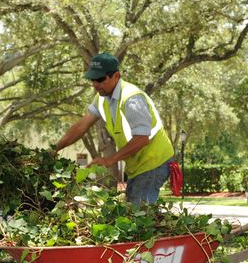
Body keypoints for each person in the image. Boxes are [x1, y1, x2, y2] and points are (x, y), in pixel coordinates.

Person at [54, 52, 174, 205]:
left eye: (100, 79)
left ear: (116, 76)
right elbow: (82, 125)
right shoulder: (101, 99)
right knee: (133, 210)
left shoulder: (131, 99)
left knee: (139, 213)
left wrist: (110, 160)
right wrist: (55, 149)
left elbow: (142, 138)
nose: (95, 84)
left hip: (154, 161)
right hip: (138, 166)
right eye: (92, 79)